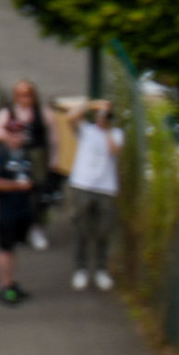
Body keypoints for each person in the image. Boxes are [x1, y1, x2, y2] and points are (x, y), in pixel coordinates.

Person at [65, 98, 119, 291]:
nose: (102, 117)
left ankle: (101, 269)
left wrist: (107, 129)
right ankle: (80, 269)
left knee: (104, 230)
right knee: (81, 229)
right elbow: (70, 118)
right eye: (100, 114)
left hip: (105, 188)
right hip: (82, 185)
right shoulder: (86, 130)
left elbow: (114, 150)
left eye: (106, 115)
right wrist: (91, 105)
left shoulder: (117, 133)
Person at [0, 78, 50, 250]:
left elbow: (54, 136)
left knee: (38, 193)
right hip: (15, 156)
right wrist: (12, 138)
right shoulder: (8, 112)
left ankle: (37, 228)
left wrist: (54, 160)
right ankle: (15, 229)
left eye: (28, 94)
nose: (25, 98)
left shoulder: (42, 112)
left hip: (36, 157)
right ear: (15, 96)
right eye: (21, 95)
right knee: (14, 191)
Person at [0, 124, 32, 304]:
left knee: (13, 248)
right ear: (6, 135)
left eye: (19, 134)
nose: (16, 138)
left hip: (20, 209)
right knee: (5, 250)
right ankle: (4, 287)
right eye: (12, 134)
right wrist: (17, 186)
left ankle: (11, 283)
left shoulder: (25, 155)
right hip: (5, 211)